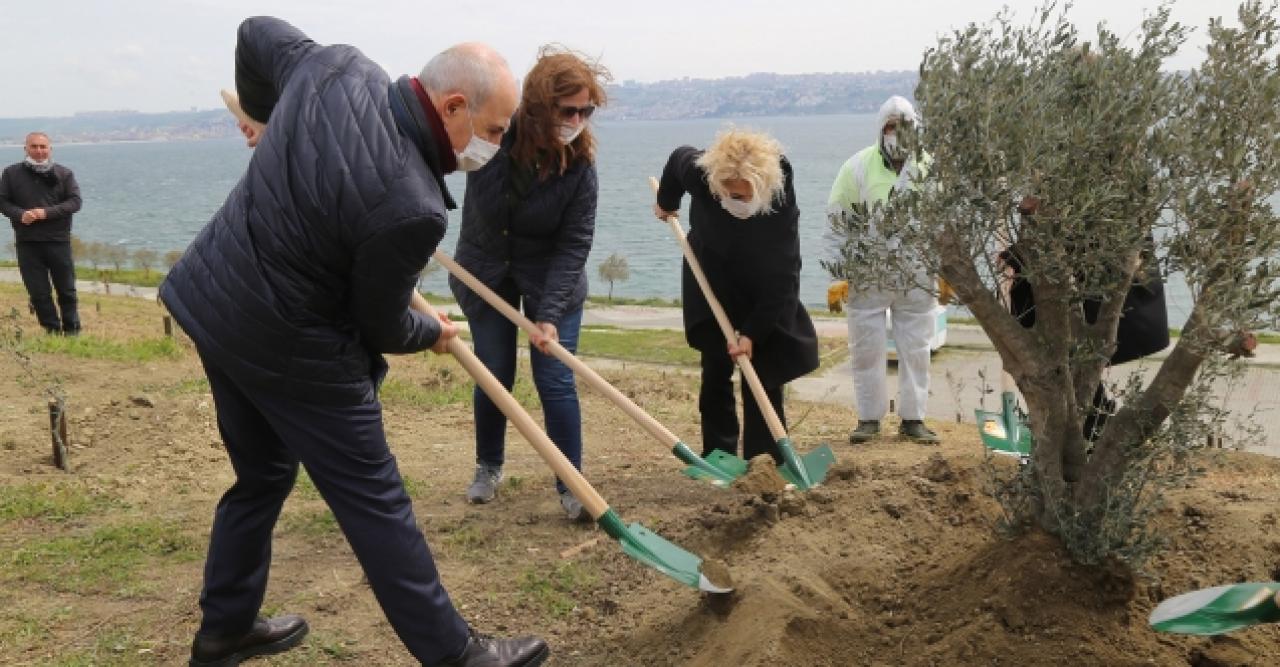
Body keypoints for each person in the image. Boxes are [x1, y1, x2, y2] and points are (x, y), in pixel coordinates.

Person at [159, 17, 547, 667]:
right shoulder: (414, 206)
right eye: (495, 129)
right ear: (454, 107)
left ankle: (225, 628)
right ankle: (458, 656)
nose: (496, 146)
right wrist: (432, 331)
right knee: (375, 501)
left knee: (262, 475)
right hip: (297, 347)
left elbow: (256, 31)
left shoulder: (336, 67)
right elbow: (380, 325)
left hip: (217, 303)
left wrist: (272, 117)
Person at [450, 46, 608, 522]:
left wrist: (550, 315)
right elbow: (459, 177)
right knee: (493, 372)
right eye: (567, 110)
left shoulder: (580, 167)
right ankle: (488, 466)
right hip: (486, 269)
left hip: (550, 279)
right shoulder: (493, 137)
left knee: (555, 380)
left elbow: (574, 244)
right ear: (539, 106)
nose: (576, 120)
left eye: (585, 111)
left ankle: (572, 485)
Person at [653, 128, 819, 465]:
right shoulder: (701, 173)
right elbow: (677, 160)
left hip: (763, 278)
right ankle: (719, 455)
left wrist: (753, 332)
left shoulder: (779, 200)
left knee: (764, 369)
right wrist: (667, 202)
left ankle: (765, 459)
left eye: (745, 196)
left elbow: (784, 274)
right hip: (711, 271)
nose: (737, 203)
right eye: (730, 195)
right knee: (715, 365)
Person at [827, 95, 940, 445]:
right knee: (866, 349)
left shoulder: (930, 168)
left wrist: (949, 272)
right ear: (881, 129)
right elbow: (837, 223)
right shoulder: (857, 167)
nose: (896, 133)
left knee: (917, 349)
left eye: (903, 127)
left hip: (917, 275)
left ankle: (913, 419)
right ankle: (869, 419)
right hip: (867, 275)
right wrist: (837, 276)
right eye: (891, 127)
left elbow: (945, 224)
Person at [0, 132, 82, 335]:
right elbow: (3, 202)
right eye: (34, 146)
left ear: (50, 149)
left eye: (43, 146)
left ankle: (72, 331)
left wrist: (46, 213)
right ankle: (52, 331)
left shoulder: (64, 174)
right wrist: (20, 214)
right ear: (25, 148)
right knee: (38, 292)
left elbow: (75, 202)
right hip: (27, 242)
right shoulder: (11, 173)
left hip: (58, 240)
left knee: (67, 290)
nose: (39, 151)